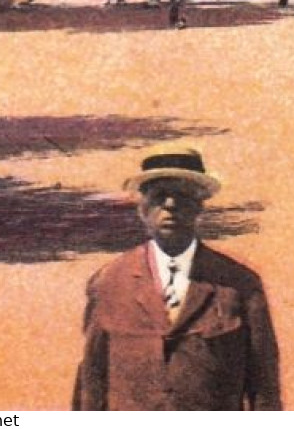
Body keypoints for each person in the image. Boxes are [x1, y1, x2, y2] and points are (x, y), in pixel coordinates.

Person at [72, 145, 281, 411]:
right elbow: (92, 381)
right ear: (142, 208)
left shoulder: (240, 285)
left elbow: (265, 389)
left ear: (200, 206)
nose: (170, 205)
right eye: (159, 196)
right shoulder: (109, 282)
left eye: (182, 195)